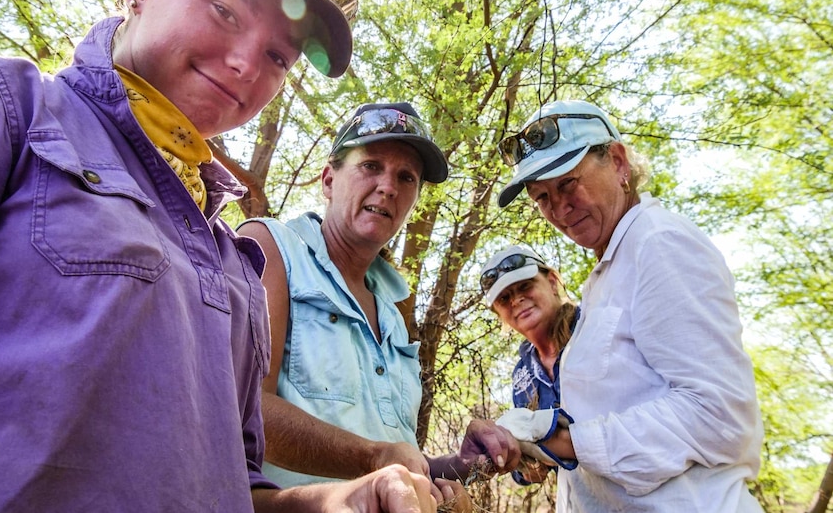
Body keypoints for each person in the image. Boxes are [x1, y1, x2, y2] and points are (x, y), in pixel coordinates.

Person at [0, 0, 442, 511]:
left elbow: (235, 484)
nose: (247, 65)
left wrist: (336, 502)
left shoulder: (231, 263)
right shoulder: (5, 110)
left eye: (277, 57)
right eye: (225, 10)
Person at [237, 102, 521, 508]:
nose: (389, 186)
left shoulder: (393, 307)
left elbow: (395, 460)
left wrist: (457, 466)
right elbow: (243, 408)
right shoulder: (273, 247)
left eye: (406, 177)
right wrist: (375, 457)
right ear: (329, 179)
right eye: (371, 166)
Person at [495, 99, 765, 511]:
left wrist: (565, 439)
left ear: (618, 162)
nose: (559, 208)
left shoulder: (659, 243)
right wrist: (528, 442)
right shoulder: (608, 272)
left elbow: (719, 416)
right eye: (542, 197)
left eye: (568, 182)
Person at [479, 244, 578, 485]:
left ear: (553, 282)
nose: (517, 300)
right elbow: (528, 453)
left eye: (525, 286)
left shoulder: (593, 330)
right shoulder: (522, 375)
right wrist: (523, 468)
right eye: (504, 298)